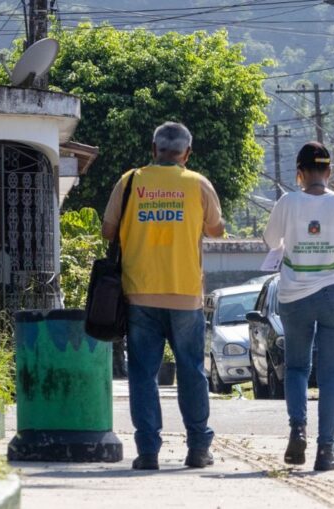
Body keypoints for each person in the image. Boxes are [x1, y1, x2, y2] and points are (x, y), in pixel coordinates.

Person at [102, 122, 225, 470]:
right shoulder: (198, 183)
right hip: (185, 293)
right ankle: (199, 449)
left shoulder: (130, 181)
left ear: (153, 148)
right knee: (191, 371)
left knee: (142, 374)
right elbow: (217, 229)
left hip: (139, 292)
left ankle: (148, 453)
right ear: (186, 153)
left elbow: (108, 230)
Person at [263, 141, 334, 471]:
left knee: (297, 368)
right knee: (331, 374)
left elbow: (271, 242)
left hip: (294, 296)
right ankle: (325, 452)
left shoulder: (287, 202)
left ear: (300, 174)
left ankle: (298, 428)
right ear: (328, 172)